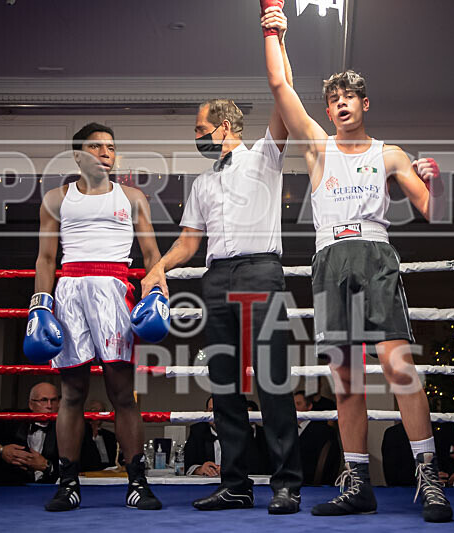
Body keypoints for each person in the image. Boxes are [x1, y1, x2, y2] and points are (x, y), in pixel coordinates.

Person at [261, 6, 452, 521]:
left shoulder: (390, 153)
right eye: (332, 99)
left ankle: (428, 478)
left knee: (399, 368)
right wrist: (273, 28)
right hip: (329, 259)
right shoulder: (318, 148)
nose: (339, 104)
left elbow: (431, 210)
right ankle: (357, 484)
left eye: (347, 97)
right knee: (345, 380)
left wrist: (433, 178)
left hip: (374, 256)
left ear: (364, 103)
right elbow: (280, 86)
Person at [141, 22, 303, 515]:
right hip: (215, 281)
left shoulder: (264, 157)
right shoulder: (202, 185)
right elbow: (190, 241)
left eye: (199, 128)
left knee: (272, 381)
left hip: (261, 273)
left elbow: (285, 95)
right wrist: (156, 269)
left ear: (225, 126)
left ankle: (287, 483)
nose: (196, 136)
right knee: (224, 384)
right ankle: (235, 482)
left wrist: (277, 37)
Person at [31, 123, 163, 511]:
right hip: (70, 290)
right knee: (71, 392)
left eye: (110, 147)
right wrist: (40, 304)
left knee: (123, 392)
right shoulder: (57, 198)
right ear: (78, 155)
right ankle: (67, 482)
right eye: (96, 146)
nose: (106, 152)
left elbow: (152, 254)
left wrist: (156, 289)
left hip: (114, 289)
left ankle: (137, 482)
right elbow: (45, 258)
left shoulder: (133, 197)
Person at [0, 383, 87, 485]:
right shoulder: (12, 418)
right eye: (43, 400)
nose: (49, 406)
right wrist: (1, 450)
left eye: (53, 401)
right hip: (8, 489)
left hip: (50, 490)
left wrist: (49, 467)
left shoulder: (69, 426)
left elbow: (89, 465)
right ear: (31, 404)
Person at [294, 391, 340, 485]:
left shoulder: (323, 432)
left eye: (298, 404)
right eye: (292, 404)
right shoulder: (285, 430)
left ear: (309, 406)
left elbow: (331, 460)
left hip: (312, 486)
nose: (294, 407)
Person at [86, 400, 117, 469]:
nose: (99, 414)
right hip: (89, 471)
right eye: (94, 411)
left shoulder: (111, 436)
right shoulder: (81, 434)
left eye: (102, 411)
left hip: (109, 472)